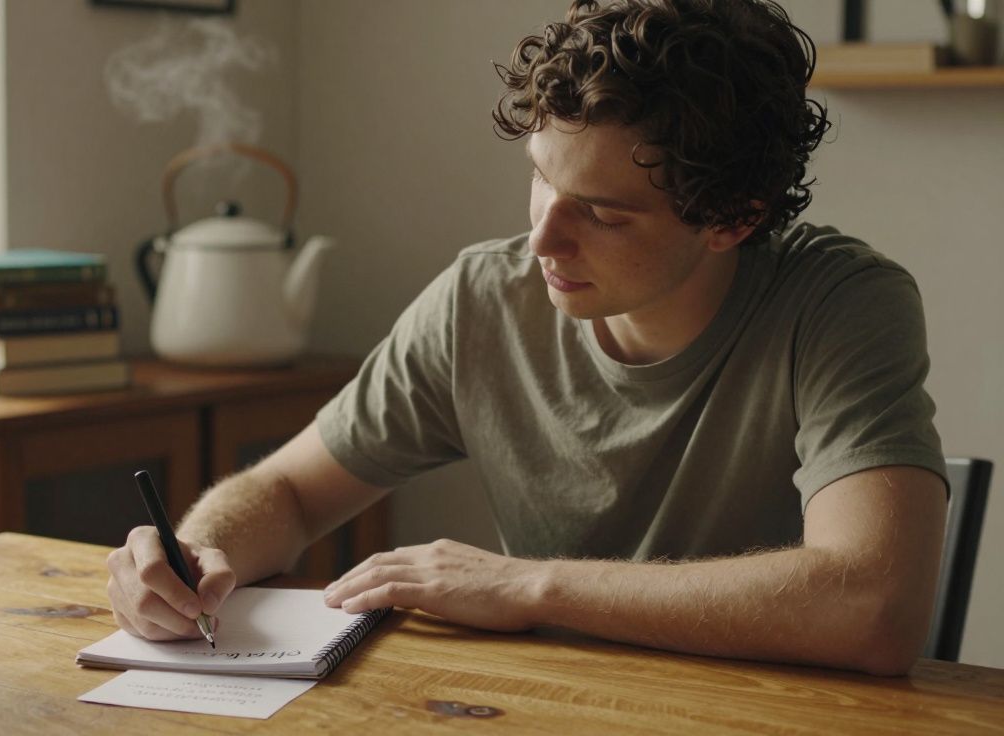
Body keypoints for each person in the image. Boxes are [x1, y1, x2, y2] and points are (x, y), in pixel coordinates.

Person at [106, 0, 948, 677]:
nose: (543, 241)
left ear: (735, 219)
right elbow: (287, 494)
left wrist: (529, 586)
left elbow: (871, 606)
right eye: (541, 182)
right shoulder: (484, 297)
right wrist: (196, 553)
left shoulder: (839, 303)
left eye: (604, 214)